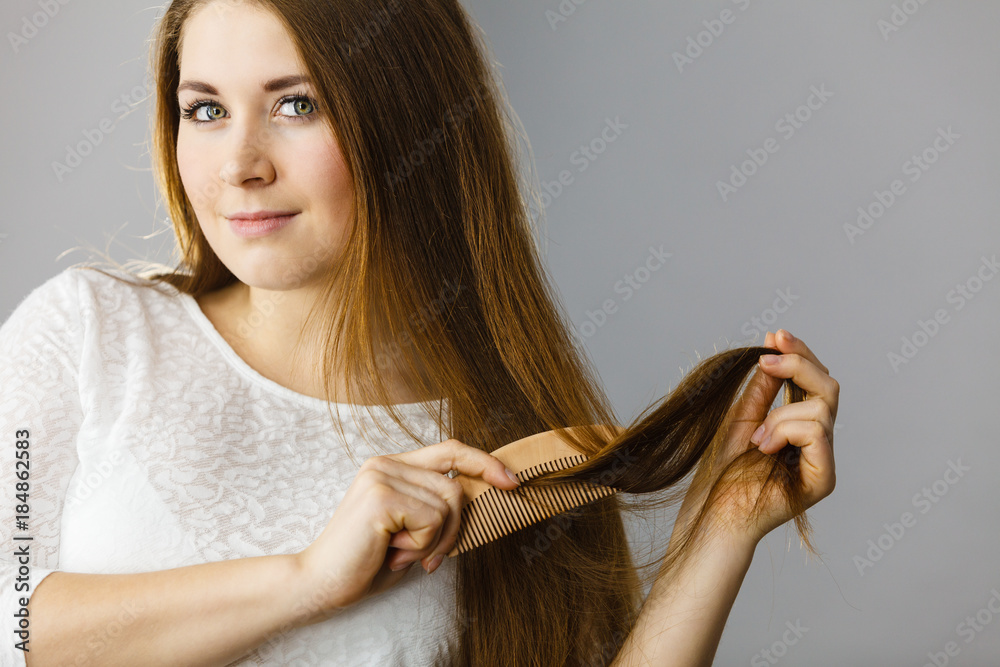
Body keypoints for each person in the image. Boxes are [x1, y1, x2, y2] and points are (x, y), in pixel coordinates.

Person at [1, 1, 839, 665]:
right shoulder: (88, 333)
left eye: (297, 104)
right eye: (206, 108)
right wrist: (306, 582)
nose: (238, 164)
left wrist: (720, 531)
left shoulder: (503, 436)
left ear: (405, 120)